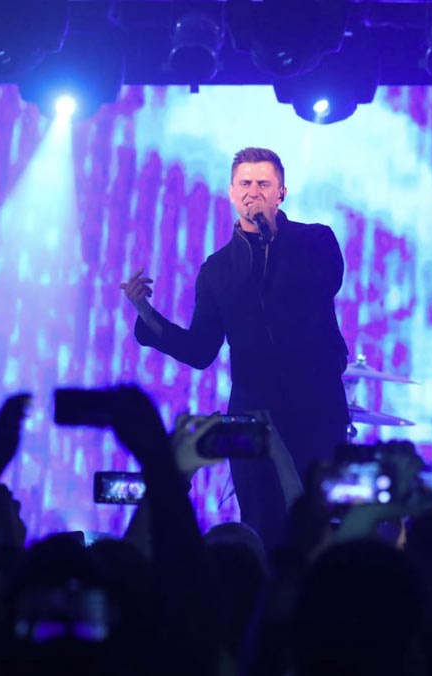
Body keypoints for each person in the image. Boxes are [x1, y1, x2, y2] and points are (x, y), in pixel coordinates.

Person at [121, 147, 349, 549]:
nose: (253, 192)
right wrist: (146, 313)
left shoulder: (315, 240)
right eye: (245, 183)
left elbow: (328, 282)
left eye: (263, 184)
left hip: (316, 405)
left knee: (323, 519)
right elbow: (200, 350)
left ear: (281, 192)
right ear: (230, 192)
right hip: (253, 411)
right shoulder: (218, 268)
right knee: (261, 521)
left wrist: (276, 237)